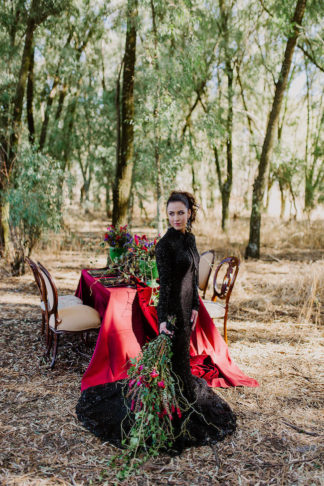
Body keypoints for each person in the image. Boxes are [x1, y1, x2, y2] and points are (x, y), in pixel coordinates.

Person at [76, 191, 236, 451]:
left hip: (187, 312)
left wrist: (195, 306)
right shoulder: (164, 246)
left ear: (189, 213)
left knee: (181, 364)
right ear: (167, 216)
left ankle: (177, 396)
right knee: (177, 365)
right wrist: (163, 321)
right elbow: (166, 287)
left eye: (180, 212)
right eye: (171, 213)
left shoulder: (190, 239)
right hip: (173, 314)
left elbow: (193, 277)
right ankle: (168, 406)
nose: (176, 218)